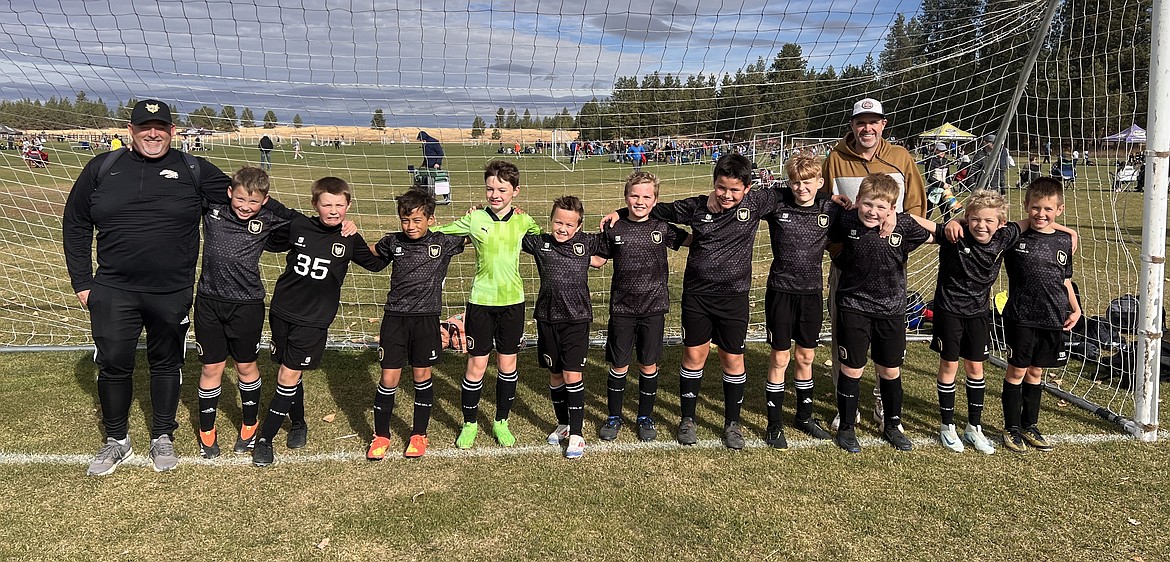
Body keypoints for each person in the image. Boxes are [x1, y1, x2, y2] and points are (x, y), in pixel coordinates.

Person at [63, 99, 240, 475]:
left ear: (172, 132)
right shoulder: (101, 168)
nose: (153, 133)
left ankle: (162, 435)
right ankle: (117, 441)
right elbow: (75, 223)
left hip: (171, 291)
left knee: (167, 362)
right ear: (131, 130)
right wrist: (82, 282)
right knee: (113, 364)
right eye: (145, 127)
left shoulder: (194, 169)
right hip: (112, 289)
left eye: (160, 127)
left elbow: (245, 201)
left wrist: (317, 224)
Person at [602, 153, 780, 449]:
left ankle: (732, 423)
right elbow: (654, 209)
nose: (726, 195)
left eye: (735, 190)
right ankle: (688, 419)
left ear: (748, 189)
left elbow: (795, 191)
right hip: (697, 296)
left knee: (732, 359)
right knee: (694, 356)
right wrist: (621, 212)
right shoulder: (697, 206)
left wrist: (835, 201)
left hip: (734, 297)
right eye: (721, 188)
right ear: (714, 184)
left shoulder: (757, 203)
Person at [920, 189, 1079, 454]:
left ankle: (974, 427)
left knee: (976, 368)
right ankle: (947, 426)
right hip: (949, 311)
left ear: (1001, 224)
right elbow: (925, 225)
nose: (982, 225)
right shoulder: (955, 235)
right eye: (975, 220)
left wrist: (1069, 231)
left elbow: (1033, 220)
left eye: (988, 221)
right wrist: (953, 220)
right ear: (968, 218)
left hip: (980, 313)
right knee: (949, 365)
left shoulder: (1005, 235)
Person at [251, 177, 388, 467]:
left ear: (348, 205)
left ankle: (265, 439)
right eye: (327, 204)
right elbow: (270, 216)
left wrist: (396, 242)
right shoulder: (298, 225)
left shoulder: (350, 238)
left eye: (340, 204)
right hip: (282, 311)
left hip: (314, 320)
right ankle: (299, 423)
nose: (334, 210)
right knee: (290, 371)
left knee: (288, 375)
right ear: (315, 204)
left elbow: (376, 264)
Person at [820, 97, 927, 432]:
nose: (866, 128)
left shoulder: (900, 157)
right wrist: (839, 253)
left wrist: (899, 240)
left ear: (883, 124)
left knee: (886, 348)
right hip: (847, 270)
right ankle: (846, 408)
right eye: (860, 122)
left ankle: (883, 404)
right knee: (845, 339)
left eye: (873, 122)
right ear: (852, 125)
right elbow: (824, 206)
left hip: (888, 269)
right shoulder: (836, 158)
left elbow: (916, 206)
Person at [436, 160, 542, 449]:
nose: (495, 194)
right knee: (477, 364)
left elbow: (543, 238)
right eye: (490, 188)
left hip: (513, 302)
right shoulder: (474, 219)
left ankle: (500, 421)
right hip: (481, 301)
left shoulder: (524, 220)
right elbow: (441, 233)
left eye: (502, 189)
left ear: (515, 192)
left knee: (507, 364)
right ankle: (469, 423)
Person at [193, 167, 296, 459]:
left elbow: (301, 223)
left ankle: (250, 424)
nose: (245, 207)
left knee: (246, 367)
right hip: (209, 302)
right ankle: (206, 430)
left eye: (253, 202)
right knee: (211, 368)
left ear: (264, 200)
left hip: (247, 304)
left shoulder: (268, 217)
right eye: (240, 199)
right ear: (229, 193)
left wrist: (267, 202)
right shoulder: (213, 207)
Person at [827, 172, 933, 453]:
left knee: (889, 369)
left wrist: (902, 218)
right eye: (868, 204)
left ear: (892, 209)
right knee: (853, 367)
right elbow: (816, 212)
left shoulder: (903, 226)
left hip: (891, 308)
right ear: (858, 200)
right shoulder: (846, 218)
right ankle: (848, 426)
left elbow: (938, 231)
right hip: (853, 306)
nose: (873, 212)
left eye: (881, 207)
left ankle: (892, 424)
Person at [365, 191, 467, 460]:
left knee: (422, 376)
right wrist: (344, 237)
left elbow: (478, 233)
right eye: (405, 220)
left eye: (417, 220)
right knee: (389, 378)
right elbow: (370, 255)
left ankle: (419, 434)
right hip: (395, 319)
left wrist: (480, 215)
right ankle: (381, 436)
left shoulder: (443, 243)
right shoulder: (393, 242)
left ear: (431, 219)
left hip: (426, 319)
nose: (410, 227)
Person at [592, 172, 689, 443]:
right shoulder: (614, 227)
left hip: (653, 307)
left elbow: (692, 241)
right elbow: (597, 260)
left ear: (655, 200)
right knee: (620, 365)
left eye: (647, 196)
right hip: (622, 308)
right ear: (626, 197)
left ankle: (645, 416)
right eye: (634, 195)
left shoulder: (662, 226)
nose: (640, 201)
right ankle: (614, 416)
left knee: (648, 364)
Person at [759, 155, 841, 448]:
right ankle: (774, 423)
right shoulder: (777, 205)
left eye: (807, 182)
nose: (801, 187)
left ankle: (804, 416)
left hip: (811, 294)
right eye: (795, 182)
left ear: (819, 183)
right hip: (780, 291)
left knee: (806, 358)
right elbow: (754, 196)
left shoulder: (829, 208)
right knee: (780, 358)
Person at [1000, 177, 1080, 453]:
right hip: (1021, 316)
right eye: (1035, 208)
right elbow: (1002, 227)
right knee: (1017, 371)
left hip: (1052, 317)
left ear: (1059, 209)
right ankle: (1011, 428)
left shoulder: (1063, 241)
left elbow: (1065, 279)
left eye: (1048, 209)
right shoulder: (1015, 236)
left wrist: (1075, 307)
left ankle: (1029, 424)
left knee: (1036, 372)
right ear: (1026, 206)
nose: (1041, 214)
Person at [522, 196, 606, 458]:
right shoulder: (540, 243)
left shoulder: (587, 243)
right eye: (558, 222)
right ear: (551, 221)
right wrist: (512, 214)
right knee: (556, 374)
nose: (563, 228)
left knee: (572, 375)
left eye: (569, 224)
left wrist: (615, 216)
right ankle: (564, 425)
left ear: (578, 226)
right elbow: (511, 230)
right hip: (547, 318)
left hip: (576, 319)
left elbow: (611, 243)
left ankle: (578, 435)